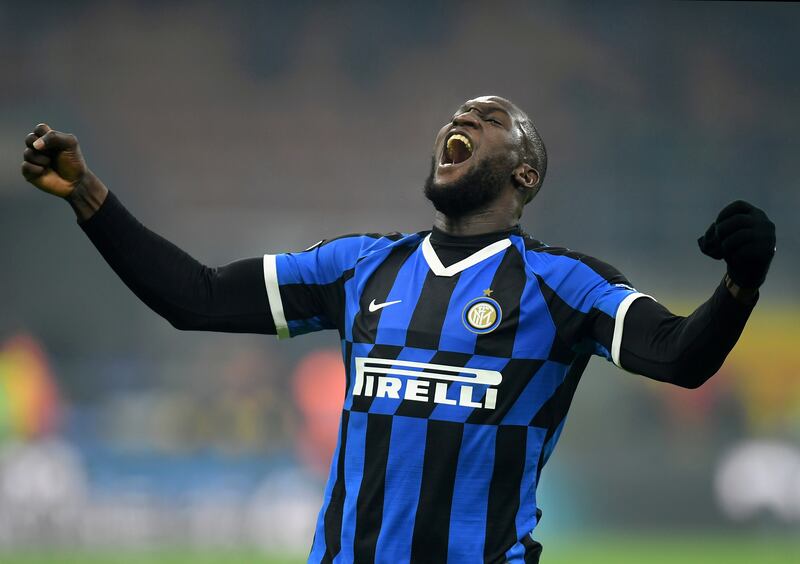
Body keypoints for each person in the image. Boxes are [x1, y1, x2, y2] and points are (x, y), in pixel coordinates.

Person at [21, 96, 776, 563]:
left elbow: (680, 357)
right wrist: (87, 194)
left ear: (525, 177)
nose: (463, 120)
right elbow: (197, 298)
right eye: (457, 116)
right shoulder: (361, 268)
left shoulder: (563, 285)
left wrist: (740, 284)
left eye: (489, 119)